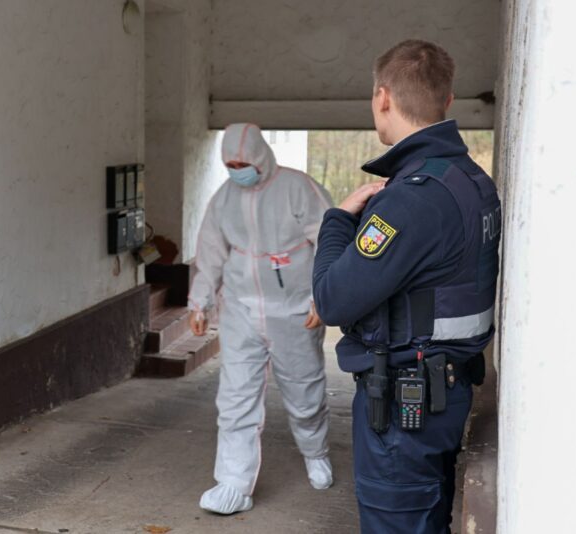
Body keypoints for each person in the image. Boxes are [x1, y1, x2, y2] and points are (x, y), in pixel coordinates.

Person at [313, 40, 502, 533]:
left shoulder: (411, 199)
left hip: (402, 410)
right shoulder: (471, 180)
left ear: (382, 98)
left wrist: (336, 222)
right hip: (447, 388)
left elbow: (333, 299)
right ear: (447, 101)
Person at [188, 123, 334, 515]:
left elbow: (330, 241)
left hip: (294, 307)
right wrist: (199, 301)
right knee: (235, 396)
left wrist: (324, 297)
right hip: (240, 308)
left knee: (304, 389)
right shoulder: (224, 199)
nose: (238, 170)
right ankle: (233, 482)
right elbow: (211, 252)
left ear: (260, 156)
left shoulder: (298, 189)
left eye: (243, 162)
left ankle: (315, 451)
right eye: (230, 164)